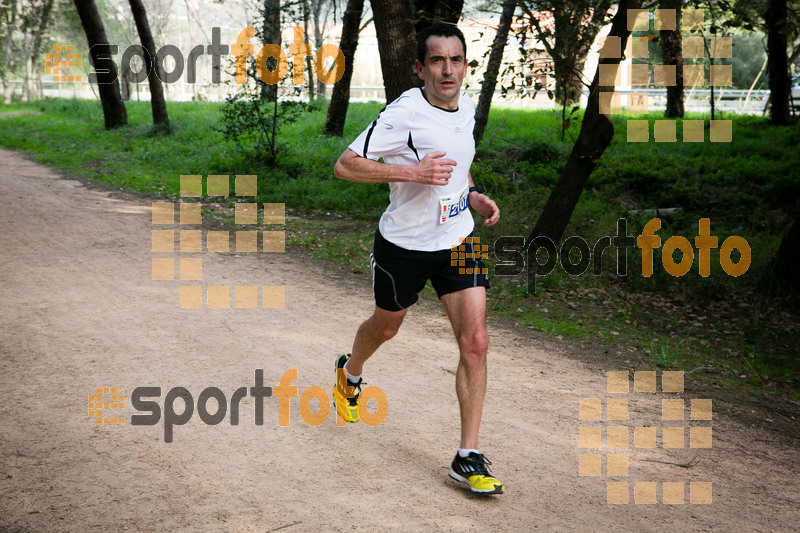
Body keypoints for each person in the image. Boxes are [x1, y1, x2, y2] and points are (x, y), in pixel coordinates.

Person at [332, 22, 504, 495]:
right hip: (404, 246)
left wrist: (472, 195)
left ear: (465, 65)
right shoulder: (403, 112)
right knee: (385, 328)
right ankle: (350, 372)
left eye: (456, 60)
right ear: (420, 68)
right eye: (437, 60)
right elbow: (345, 165)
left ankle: (467, 456)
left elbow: (458, 165)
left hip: (458, 240)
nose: (447, 70)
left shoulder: (464, 104)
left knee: (476, 342)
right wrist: (414, 172)